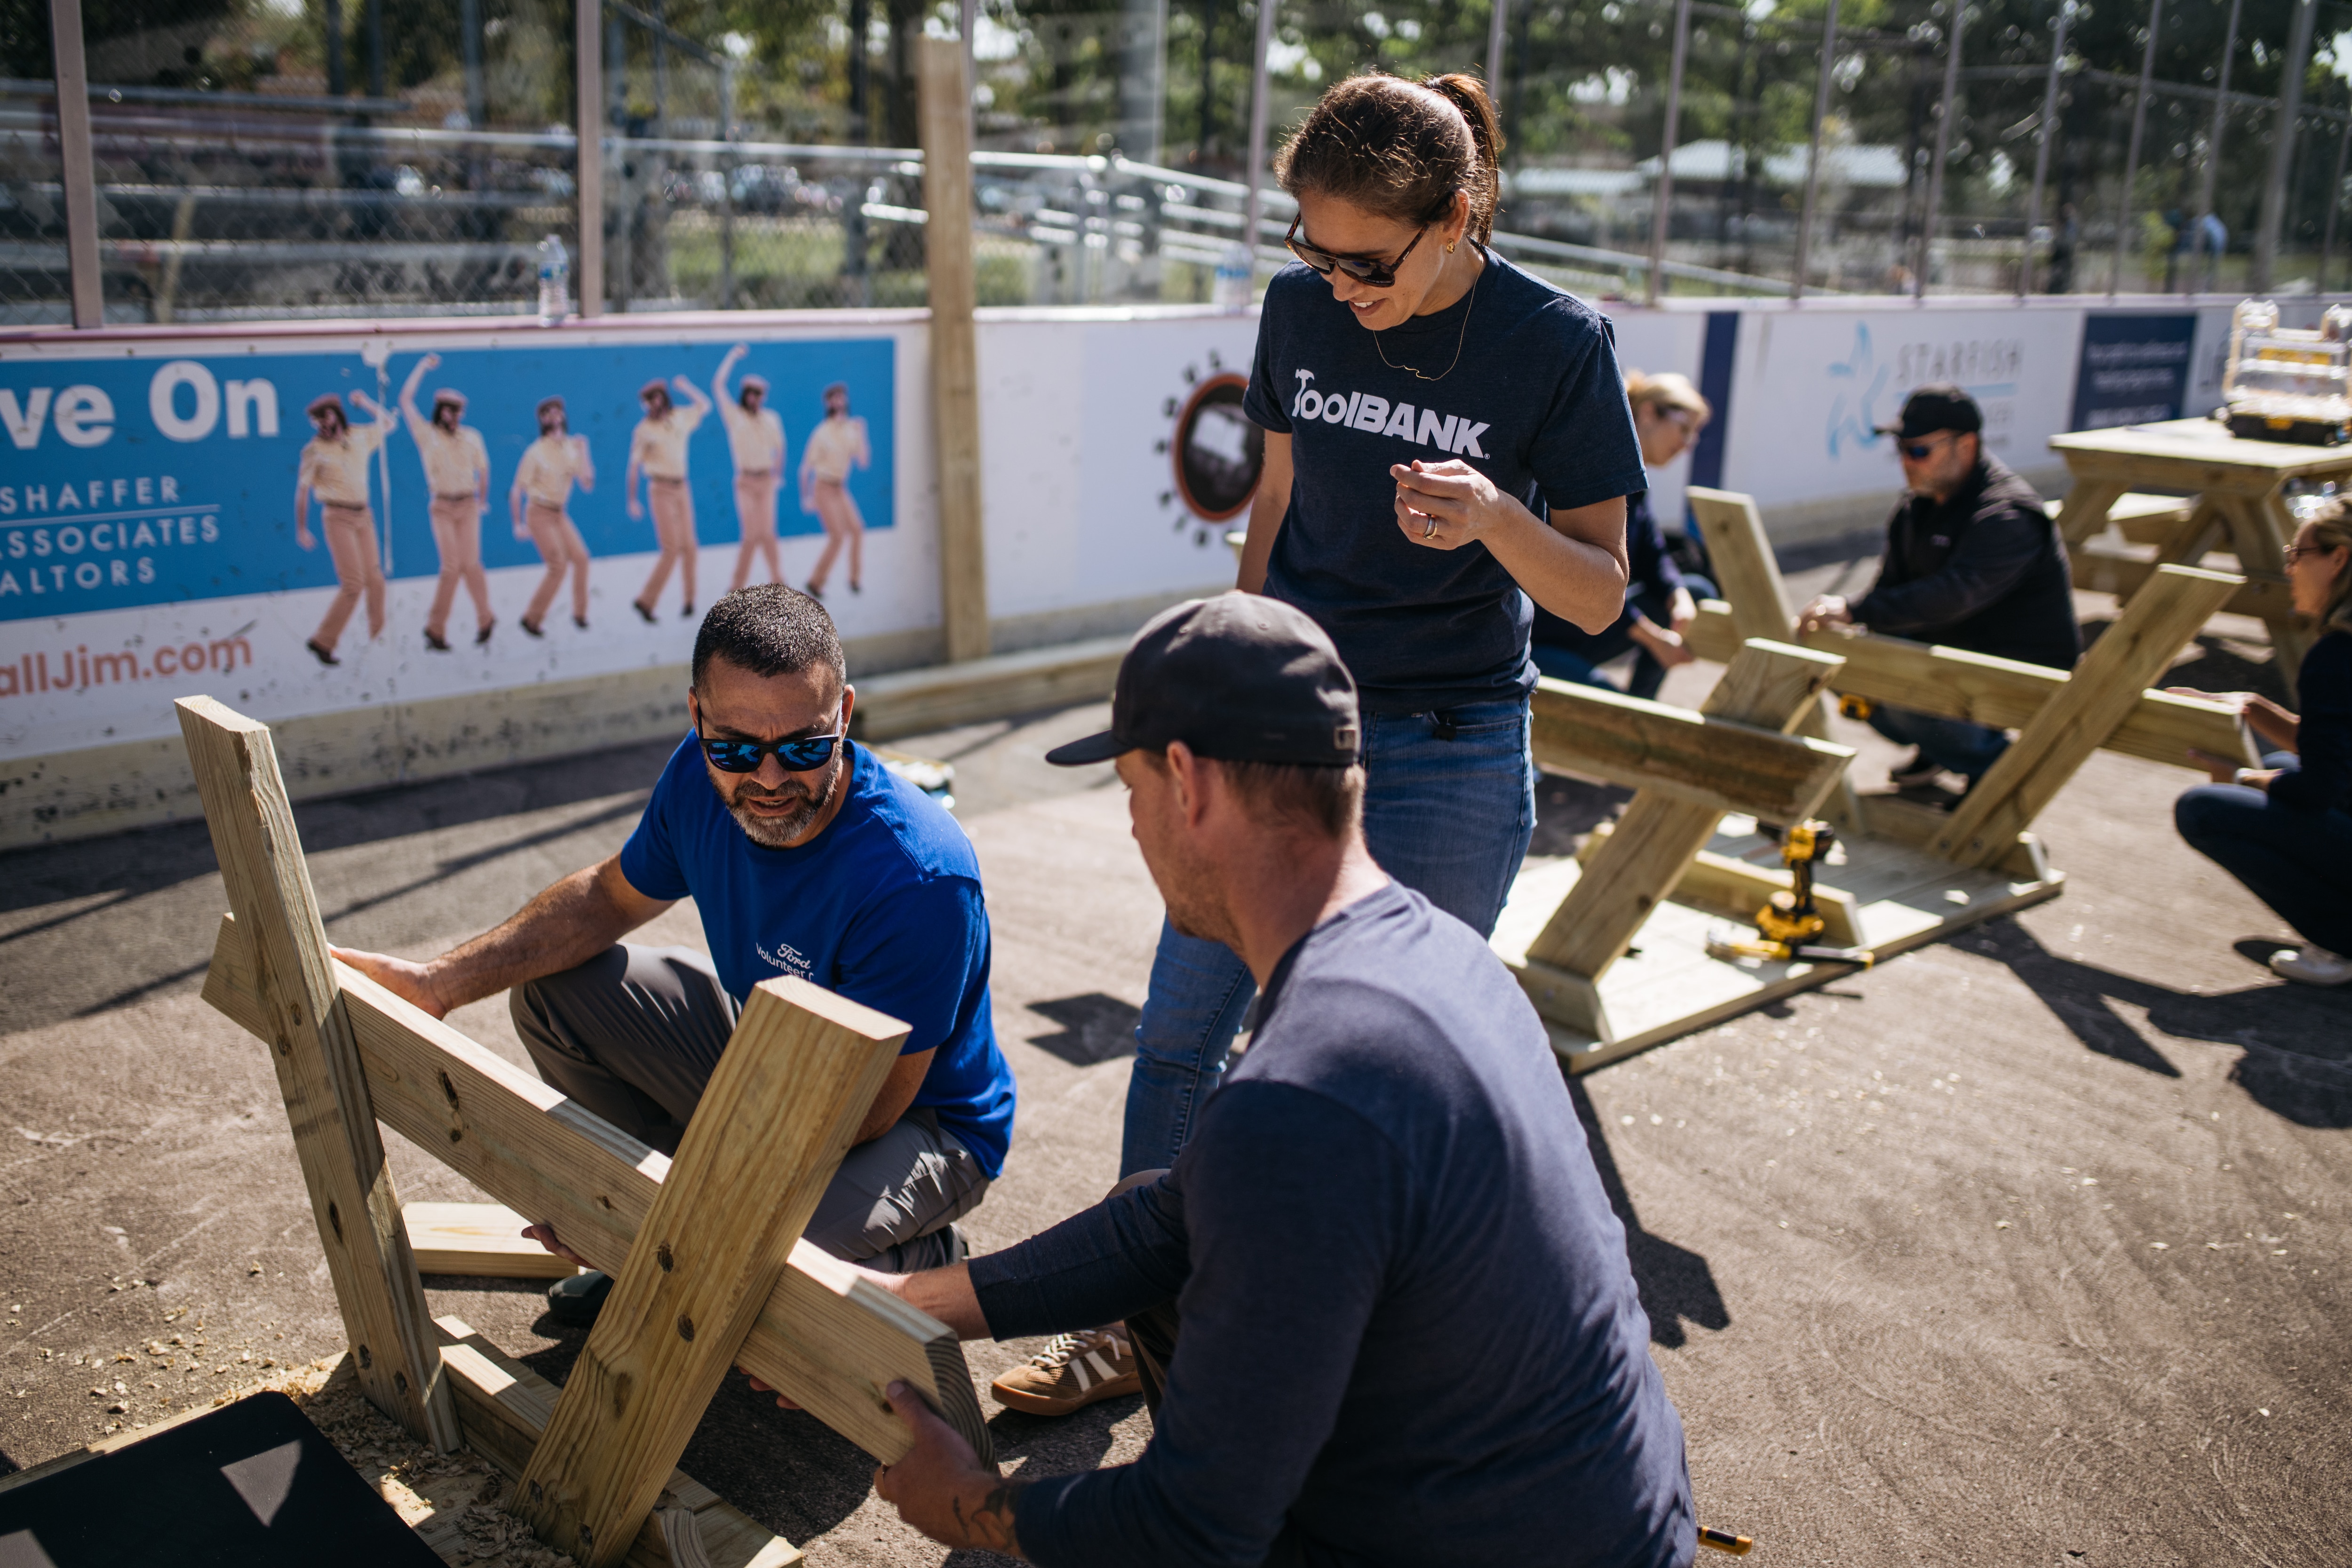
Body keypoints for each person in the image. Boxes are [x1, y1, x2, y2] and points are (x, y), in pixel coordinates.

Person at [812, 595, 1695, 1567]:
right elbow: (1167, 1220)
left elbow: (1192, 1529)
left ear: (1187, 783)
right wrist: (899, 1296)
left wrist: (969, 1503)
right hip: (1604, 1516)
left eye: (1130, 789)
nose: (1135, 827)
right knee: (1160, 1207)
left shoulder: (1300, 1102)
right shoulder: (1430, 952)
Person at [333, 585, 1017, 1321]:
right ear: (696, 717)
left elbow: (873, 1109)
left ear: (845, 714)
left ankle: (921, 1260)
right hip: (773, 1059)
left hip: (925, 1124)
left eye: (806, 747)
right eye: (734, 748)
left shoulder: (918, 877)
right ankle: (654, 1243)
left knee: (742, 1258)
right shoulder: (695, 776)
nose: (771, 779)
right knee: (553, 993)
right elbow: (606, 899)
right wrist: (437, 984)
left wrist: (673, 1217)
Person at [1798, 383, 2079, 797]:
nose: (1906, 463)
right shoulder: (1916, 507)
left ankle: (1994, 764)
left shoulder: (2008, 515)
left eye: (1919, 451)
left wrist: (1854, 609)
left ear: (1966, 446)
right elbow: (1888, 595)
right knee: (1838, 658)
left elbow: (1950, 596)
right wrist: (1845, 621)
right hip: (1953, 658)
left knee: (1902, 683)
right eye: (1901, 450)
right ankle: (1944, 747)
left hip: (2020, 676)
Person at [2172, 505, 2352, 987]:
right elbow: (2336, 749)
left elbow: (2318, 786)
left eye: (2298, 554)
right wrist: (2252, 707)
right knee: (2275, 762)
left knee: (2203, 808)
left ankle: (2340, 941)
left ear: (2338, 559)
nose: (2288, 568)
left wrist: (2236, 776)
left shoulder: (2336, 655)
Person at [1531, 369, 1720, 701]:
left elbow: (1654, 555)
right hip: (1542, 639)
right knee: (1620, 718)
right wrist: (1652, 638)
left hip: (1589, 630)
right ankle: (1634, 712)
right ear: (1648, 414)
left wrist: (1678, 596)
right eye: (1684, 429)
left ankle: (1642, 702)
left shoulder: (1634, 479)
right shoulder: (1593, 466)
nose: (1687, 445)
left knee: (1697, 589)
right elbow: (1583, 579)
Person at [398, 353, 496, 652]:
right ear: (439, 411)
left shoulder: (471, 437)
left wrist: (483, 500)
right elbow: (405, 400)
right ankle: (435, 629)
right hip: (441, 505)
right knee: (451, 567)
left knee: (472, 565)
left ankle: (486, 618)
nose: (452, 415)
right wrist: (422, 368)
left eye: (457, 411)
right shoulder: (427, 435)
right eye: (447, 410)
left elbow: (484, 469)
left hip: (467, 504)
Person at [293, 390, 397, 667]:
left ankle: (379, 637)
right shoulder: (314, 450)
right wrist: (301, 528)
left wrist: (365, 404)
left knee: (375, 579)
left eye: (325, 417)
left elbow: (388, 423)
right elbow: (302, 491)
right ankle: (323, 641)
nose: (322, 424)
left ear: (336, 415)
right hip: (337, 515)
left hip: (363, 514)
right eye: (316, 421)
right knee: (353, 583)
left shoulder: (359, 437)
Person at [629, 374, 713, 622]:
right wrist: (632, 499)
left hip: (681, 487)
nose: (654, 403)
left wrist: (687, 386)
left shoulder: (679, 418)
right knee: (671, 547)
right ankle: (647, 600)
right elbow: (634, 466)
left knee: (690, 545)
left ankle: (689, 600)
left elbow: (705, 406)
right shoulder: (644, 430)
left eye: (657, 398)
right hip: (660, 488)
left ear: (664, 398)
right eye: (648, 400)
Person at [509, 395, 595, 637]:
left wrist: (584, 450)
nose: (555, 416)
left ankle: (580, 614)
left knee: (581, 558)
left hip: (559, 512)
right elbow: (517, 491)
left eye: (558, 411)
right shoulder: (535, 452)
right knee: (558, 565)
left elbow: (587, 482)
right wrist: (518, 524)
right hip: (538, 512)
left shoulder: (571, 447)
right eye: (549, 413)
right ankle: (532, 618)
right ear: (542, 420)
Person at [715, 344, 788, 593]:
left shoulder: (772, 419)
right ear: (744, 395)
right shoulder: (735, 416)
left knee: (767, 533)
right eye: (750, 393)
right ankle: (736, 587)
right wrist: (732, 357)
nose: (753, 398)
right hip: (745, 481)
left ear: (763, 396)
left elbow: (781, 448)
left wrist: (778, 475)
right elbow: (718, 385)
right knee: (751, 535)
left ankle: (779, 582)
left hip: (766, 480)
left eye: (758, 393)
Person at [799, 381, 870, 600]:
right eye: (834, 398)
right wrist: (807, 498)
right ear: (828, 403)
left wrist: (862, 432)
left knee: (858, 529)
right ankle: (815, 581)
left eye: (842, 397)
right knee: (838, 536)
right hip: (823, 487)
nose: (839, 401)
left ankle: (855, 579)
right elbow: (805, 469)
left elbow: (863, 462)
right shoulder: (822, 433)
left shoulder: (852, 429)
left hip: (840, 488)